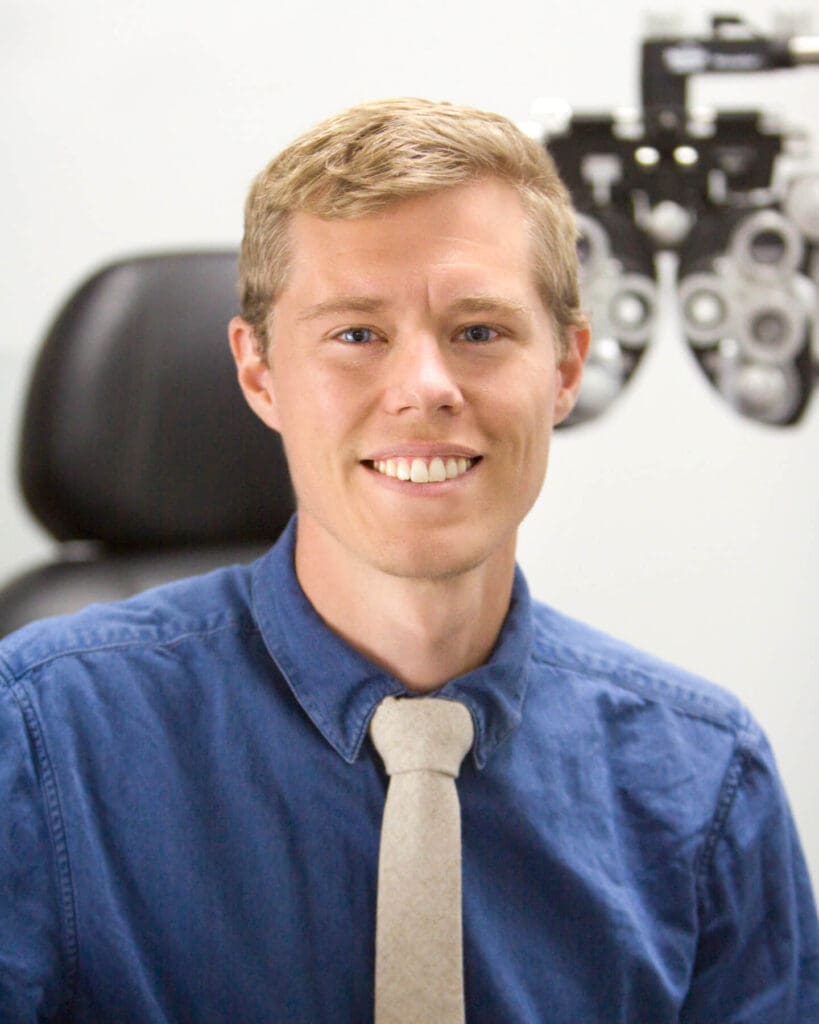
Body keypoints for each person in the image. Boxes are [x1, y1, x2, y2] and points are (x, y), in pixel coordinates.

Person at [1, 98, 817, 1023]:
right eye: (356, 334)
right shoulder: (39, 735)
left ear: (565, 369)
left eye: (479, 331)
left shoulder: (707, 780)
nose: (424, 388)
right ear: (259, 372)